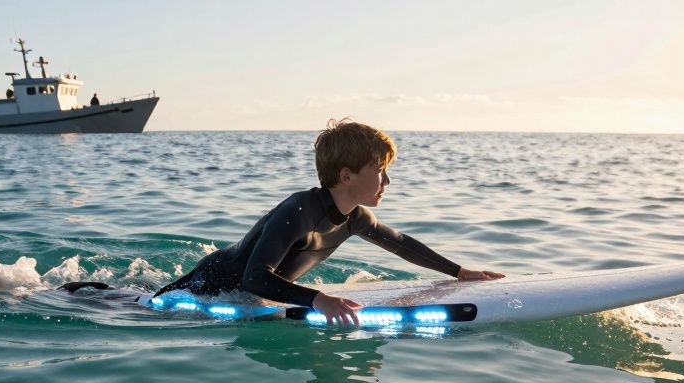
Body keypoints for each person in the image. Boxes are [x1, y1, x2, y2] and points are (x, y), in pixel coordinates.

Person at [153, 119, 503, 325]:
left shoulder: (356, 218)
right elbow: (254, 277)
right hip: (206, 285)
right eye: (380, 171)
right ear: (347, 176)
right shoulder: (299, 211)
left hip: (241, 292)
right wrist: (317, 299)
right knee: (128, 303)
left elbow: (401, 244)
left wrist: (459, 272)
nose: (387, 182)